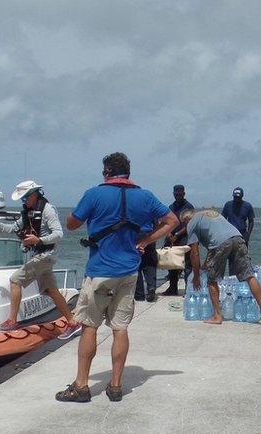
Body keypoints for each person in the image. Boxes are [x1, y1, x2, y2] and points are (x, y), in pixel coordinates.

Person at [57, 152, 178, 403]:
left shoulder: (94, 193)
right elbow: (172, 220)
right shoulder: (144, 196)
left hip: (100, 270)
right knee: (120, 328)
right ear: (128, 173)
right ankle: (115, 386)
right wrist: (146, 240)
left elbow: (71, 224)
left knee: (90, 325)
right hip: (129, 271)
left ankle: (81, 386)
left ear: (107, 172)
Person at [0, 180, 81, 340]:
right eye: (21, 199)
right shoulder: (28, 213)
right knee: (50, 290)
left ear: (34, 195)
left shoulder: (48, 210)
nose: (23, 202)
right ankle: (72, 323)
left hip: (46, 255)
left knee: (15, 280)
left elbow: (59, 234)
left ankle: (12, 321)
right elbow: (11, 229)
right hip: (41, 256)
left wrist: (38, 241)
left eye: (24, 198)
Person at [181, 209, 261, 325]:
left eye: (183, 223)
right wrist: (205, 265)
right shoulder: (208, 214)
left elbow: (194, 253)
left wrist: (197, 276)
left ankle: (217, 316)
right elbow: (213, 243)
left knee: (212, 280)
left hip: (220, 243)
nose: (185, 226)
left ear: (186, 219)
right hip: (238, 237)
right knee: (249, 275)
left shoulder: (191, 223)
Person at [161, 184, 195, 296]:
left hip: (184, 238)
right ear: (173, 194)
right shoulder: (171, 207)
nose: (178, 196)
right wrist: (169, 233)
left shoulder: (189, 206)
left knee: (187, 266)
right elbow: (166, 222)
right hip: (172, 240)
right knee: (172, 265)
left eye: (180, 194)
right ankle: (172, 288)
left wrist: (176, 234)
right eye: (176, 194)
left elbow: (190, 224)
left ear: (184, 194)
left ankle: (188, 289)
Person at [133, 221, 159, 302]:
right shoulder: (150, 208)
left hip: (135, 235)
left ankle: (139, 294)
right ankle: (151, 287)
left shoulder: (129, 208)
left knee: (137, 266)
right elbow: (156, 223)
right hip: (149, 234)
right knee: (150, 263)